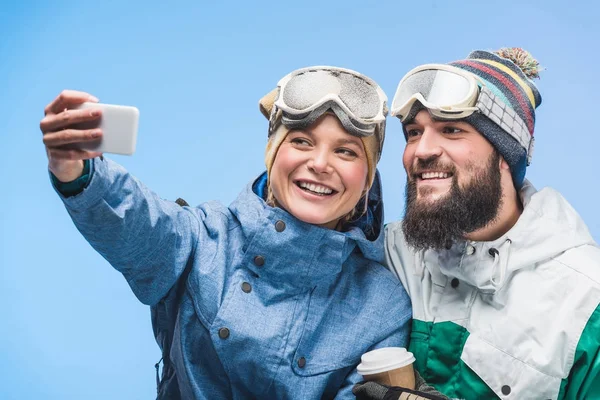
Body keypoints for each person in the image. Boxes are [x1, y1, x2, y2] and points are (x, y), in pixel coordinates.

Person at [40, 66, 413, 399]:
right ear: (273, 153)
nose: (319, 164)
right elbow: (138, 222)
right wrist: (78, 171)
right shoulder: (203, 239)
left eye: (346, 152)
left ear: (366, 180)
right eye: (301, 141)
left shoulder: (384, 305)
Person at [355, 48, 600, 400]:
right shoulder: (391, 252)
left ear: (506, 154)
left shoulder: (585, 302)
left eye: (451, 130)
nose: (420, 151)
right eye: (412, 132)